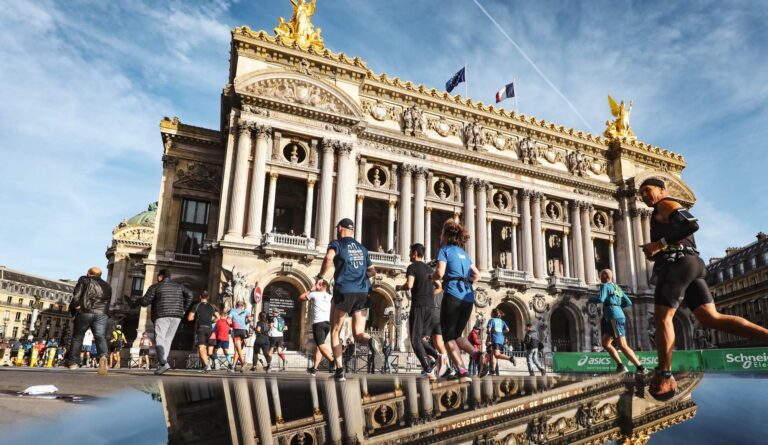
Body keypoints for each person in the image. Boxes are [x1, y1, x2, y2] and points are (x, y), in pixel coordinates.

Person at [638, 177, 768, 400]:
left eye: (648, 190)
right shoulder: (660, 209)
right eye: (641, 193)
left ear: (661, 190)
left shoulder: (665, 203)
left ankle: (665, 374)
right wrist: (656, 250)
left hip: (677, 264)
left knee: (662, 319)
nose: (645, 196)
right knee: (711, 318)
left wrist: (659, 245)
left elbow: (692, 224)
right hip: (692, 265)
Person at [318, 218, 382, 382]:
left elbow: (328, 258)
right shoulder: (362, 248)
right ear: (352, 230)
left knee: (335, 332)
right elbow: (373, 271)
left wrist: (321, 276)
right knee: (359, 333)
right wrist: (359, 277)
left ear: (340, 228)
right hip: (362, 292)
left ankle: (340, 371)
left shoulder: (337, 244)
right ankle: (371, 340)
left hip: (344, 291)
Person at [433, 220, 483, 381]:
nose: (440, 236)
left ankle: (462, 370)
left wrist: (430, 277)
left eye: (442, 233)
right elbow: (477, 275)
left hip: (453, 295)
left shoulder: (444, 250)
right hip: (468, 297)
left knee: (447, 337)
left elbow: (439, 273)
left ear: (446, 235)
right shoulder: (465, 254)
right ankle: (476, 355)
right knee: (457, 334)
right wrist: (466, 283)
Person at [136, 269, 194, 375]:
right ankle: (163, 364)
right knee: (168, 340)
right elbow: (190, 295)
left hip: (162, 314)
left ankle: (163, 363)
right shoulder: (179, 286)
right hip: (177, 316)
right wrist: (184, 309)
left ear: (160, 277)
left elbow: (145, 302)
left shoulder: (156, 287)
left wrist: (138, 300)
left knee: (160, 338)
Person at [590, 269, 646, 375]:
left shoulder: (605, 286)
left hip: (613, 317)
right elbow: (628, 302)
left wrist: (591, 300)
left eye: (601, 275)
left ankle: (641, 368)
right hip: (617, 315)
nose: (599, 277)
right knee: (605, 343)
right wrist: (618, 307)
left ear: (605, 276)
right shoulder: (616, 287)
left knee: (622, 345)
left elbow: (601, 299)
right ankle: (620, 366)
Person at [403, 243, 441, 379]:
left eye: (410, 253)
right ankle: (437, 356)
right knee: (422, 338)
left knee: (415, 339)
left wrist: (399, 287)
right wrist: (430, 295)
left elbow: (409, 285)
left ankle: (428, 368)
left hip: (418, 305)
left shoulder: (412, 267)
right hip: (430, 306)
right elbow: (439, 286)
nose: (409, 255)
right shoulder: (429, 269)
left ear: (414, 253)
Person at [64, 267, 112, 375]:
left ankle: (73, 362)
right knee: (100, 336)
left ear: (89, 273)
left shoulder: (84, 280)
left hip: (85, 311)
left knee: (78, 336)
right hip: (102, 314)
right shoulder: (107, 285)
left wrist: (75, 307)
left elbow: (76, 296)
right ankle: (103, 356)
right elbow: (108, 301)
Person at [299, 278, 334, 376]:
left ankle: (333, 362)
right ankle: (314, 368)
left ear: (322, 286)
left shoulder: (314, 294)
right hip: (327, 324)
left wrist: (312, 289)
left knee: (321, 346)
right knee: (319, 346)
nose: (316, 285)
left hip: (318, 323)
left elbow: (301, 297)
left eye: (318, 284)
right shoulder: (331, 297)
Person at [188, 291, 216, 373]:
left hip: (201, 328)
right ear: (208, 297)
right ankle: (212, 362)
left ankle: (207, 366)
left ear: (200, 297)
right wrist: (211, 321)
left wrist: (195, 318)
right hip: (210, 329)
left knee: (201, 348)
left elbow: (190, 318)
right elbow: (218, 317)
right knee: (210, 350)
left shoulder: (196, 306)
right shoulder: (212, 306)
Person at [486, 308, 516, 376]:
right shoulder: (502, 321)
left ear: (493, 314)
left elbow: (488, 330)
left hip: (495, 339)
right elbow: (507, 329)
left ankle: (510, 358)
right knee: (493, 355)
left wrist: (488, 332)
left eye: (491, 313)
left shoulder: (491, 320)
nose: (491, 314)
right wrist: (501, 332)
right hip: (501, 339)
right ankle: (492, 371)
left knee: (496, 354)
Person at [228, 301, 251, 373]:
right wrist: (245, 323)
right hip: (244, 331)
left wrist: (231, 325)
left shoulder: (232, 310)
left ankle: (243, 362)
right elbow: (250, 319)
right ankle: (233, 366)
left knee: (237, 348)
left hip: (236, 330)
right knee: (238, 349)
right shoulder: (245, 311)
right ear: (242, 306)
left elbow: (228, 320)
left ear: (236, 305)